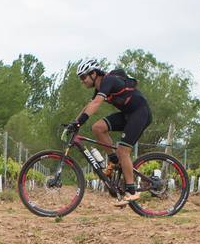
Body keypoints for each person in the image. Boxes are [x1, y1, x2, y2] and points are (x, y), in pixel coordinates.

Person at [63, 58, 152, 205]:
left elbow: (97, 103)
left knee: (123, 151)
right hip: (127, 115)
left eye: (83, 77)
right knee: (98, 128)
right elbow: (89, 105)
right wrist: (74, 122)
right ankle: (114, 161)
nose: (82, 80)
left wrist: (80, 122)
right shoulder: (100, 88)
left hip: (140, 113)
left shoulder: (108, 81)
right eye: (81, 78)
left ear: (93, 74)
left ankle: (132, 191)